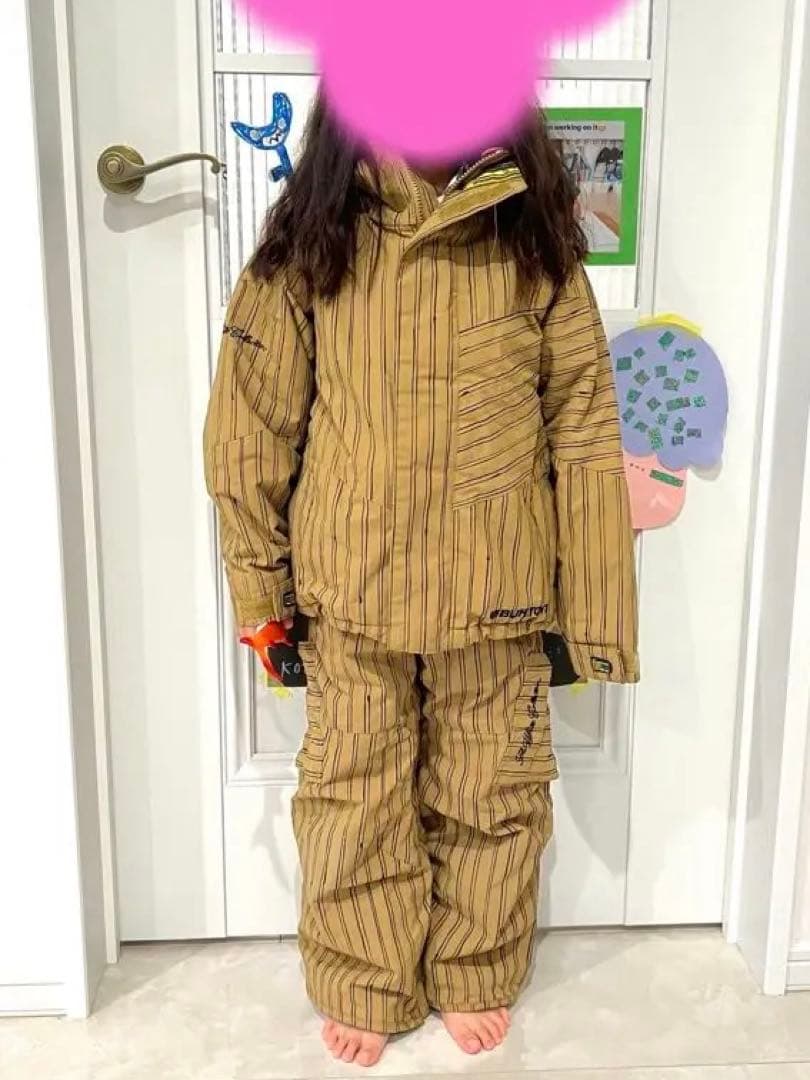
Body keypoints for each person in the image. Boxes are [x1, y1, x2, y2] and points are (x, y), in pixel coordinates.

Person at [204, 94, 639, 1069]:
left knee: (495, 789)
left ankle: (476, 963)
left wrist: (594, 614)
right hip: (350, 591)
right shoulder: (308, 246)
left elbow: (582, 430)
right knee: (354, 793)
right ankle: (367, 975)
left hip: (499, 591)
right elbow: (249, 428)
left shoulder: (535, 247)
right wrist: (260, 594)